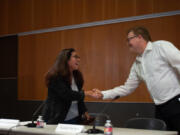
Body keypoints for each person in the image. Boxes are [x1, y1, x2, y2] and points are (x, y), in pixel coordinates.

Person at [91, 26, 180, 133]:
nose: (127, 43)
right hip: (159, 108)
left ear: (139, 37)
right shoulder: (137, 64)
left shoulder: (161, 46)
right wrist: (103, 94)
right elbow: (127, 88)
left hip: (176, 102)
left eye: (129, 39)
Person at [42, 48, 93, 124]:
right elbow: (67, 94)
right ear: (66, 59)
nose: (78, 59)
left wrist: (84, 110)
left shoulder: (76, 76)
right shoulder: (55, 76)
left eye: (78, 57)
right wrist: (86, 93)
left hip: (74, 118)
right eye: (75, 57)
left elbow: (77, 96)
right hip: (58, 119)